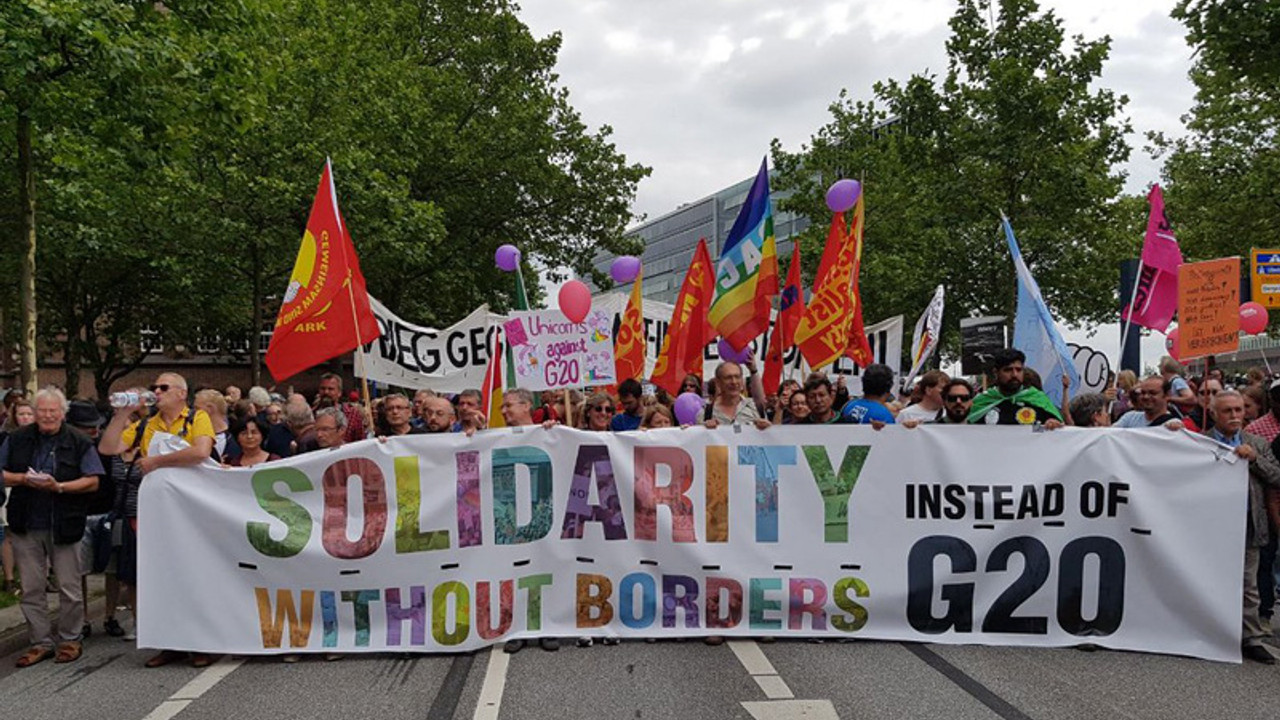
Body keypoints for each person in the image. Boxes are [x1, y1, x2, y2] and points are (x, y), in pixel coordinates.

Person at [99, 372, 215, 668]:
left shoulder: (196, 418)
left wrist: (156, 461)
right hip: (159, 514)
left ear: (181, 393)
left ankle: (199, 643)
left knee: (193, 577)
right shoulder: (145, 425)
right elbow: (108, 448)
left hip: (191, 513)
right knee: (162, 579)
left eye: (163, 387)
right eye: (154, 388)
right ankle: (170, 642)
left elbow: (201, 451)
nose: (156, 392)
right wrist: (122, 414)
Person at [1, 388, 103, 667]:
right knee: (32, 587)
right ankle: (40, 642)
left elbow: (93, 480)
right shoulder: (17, 439)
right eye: (42, 410)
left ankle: (71, 638)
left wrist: (59, 486)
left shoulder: (79, 440)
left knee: (69, 587)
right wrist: (23, 478)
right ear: (33, 413)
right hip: (26, 521)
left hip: (64, 521)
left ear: (62, 413)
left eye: (52, 411)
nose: (47, 415)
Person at [1204, 390, 1280, 663]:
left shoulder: (1257, 444)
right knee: (1206, 577)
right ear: (1214, 414)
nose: (1235, 416)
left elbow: (1277, 476)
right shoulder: (1198, 442)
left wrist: (1254, 461)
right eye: (1228, 411)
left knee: (1248, 585)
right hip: (1207, 525)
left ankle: (1251, 638)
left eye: (1239, 410)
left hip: (1247, 523)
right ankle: (1208, 631)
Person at [500, 387, 560, 654]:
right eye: (503, 406)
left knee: (543, 569)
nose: (503, 411)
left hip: (543, 513)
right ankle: (518, 627)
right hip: (511, 516)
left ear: (526, 406)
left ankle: (546, 625)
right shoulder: (494, 437)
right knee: (513, 571)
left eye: (509, 406)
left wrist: (554, 430)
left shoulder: (548, 433)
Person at [967, 349, 1063, 427]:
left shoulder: (1038, 400)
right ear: (996, 372)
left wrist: (1052, 424)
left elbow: (1041, 433)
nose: (1014, 374)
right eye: (1008, 370)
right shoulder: (982, 402)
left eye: (1018, 370)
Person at [705, 362, 769, 429]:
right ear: (718, 382)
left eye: (737, 377)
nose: (734, 382)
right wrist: (706, 431)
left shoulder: (755, 408)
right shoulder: (706, 413)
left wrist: (767, 429)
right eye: (728, 378)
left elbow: (769, 437)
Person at [313, 373, 366, 444]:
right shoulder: (312, 414)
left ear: (339, 392)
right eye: (323, 388)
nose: (326, 392)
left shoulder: (352, 413)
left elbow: (360, 441)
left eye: (330, 389)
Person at [1113, 376, 1182, 428]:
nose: (1146, 397)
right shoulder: (1129, 417)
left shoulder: (1173, 424)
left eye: (1152, 393)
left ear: (1167, 395)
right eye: (1143, 393)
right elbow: (1110, 435)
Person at [194, 389, 234, 460]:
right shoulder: (192, 434)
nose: (194, 413)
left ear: (210, 408)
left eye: (197, 408)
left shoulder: (238, 434)